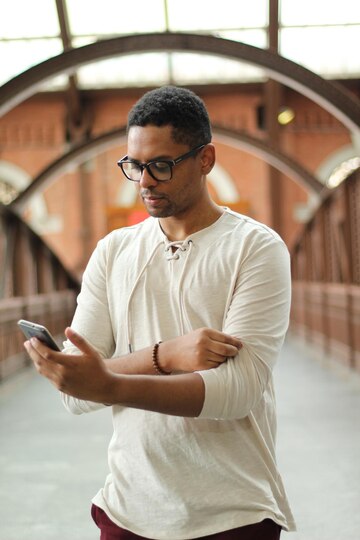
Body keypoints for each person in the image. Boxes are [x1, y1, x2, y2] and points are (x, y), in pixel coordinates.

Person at [25, 86, 296, 539]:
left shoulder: (256, 248)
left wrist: (109, 382)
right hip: (129, 509)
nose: (145, 181)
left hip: (233, 513)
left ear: (205, 159)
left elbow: (237, 391)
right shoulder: (113, 251)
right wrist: (163, 356)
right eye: (134, 165)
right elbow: (78, 391)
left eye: (161, 165)